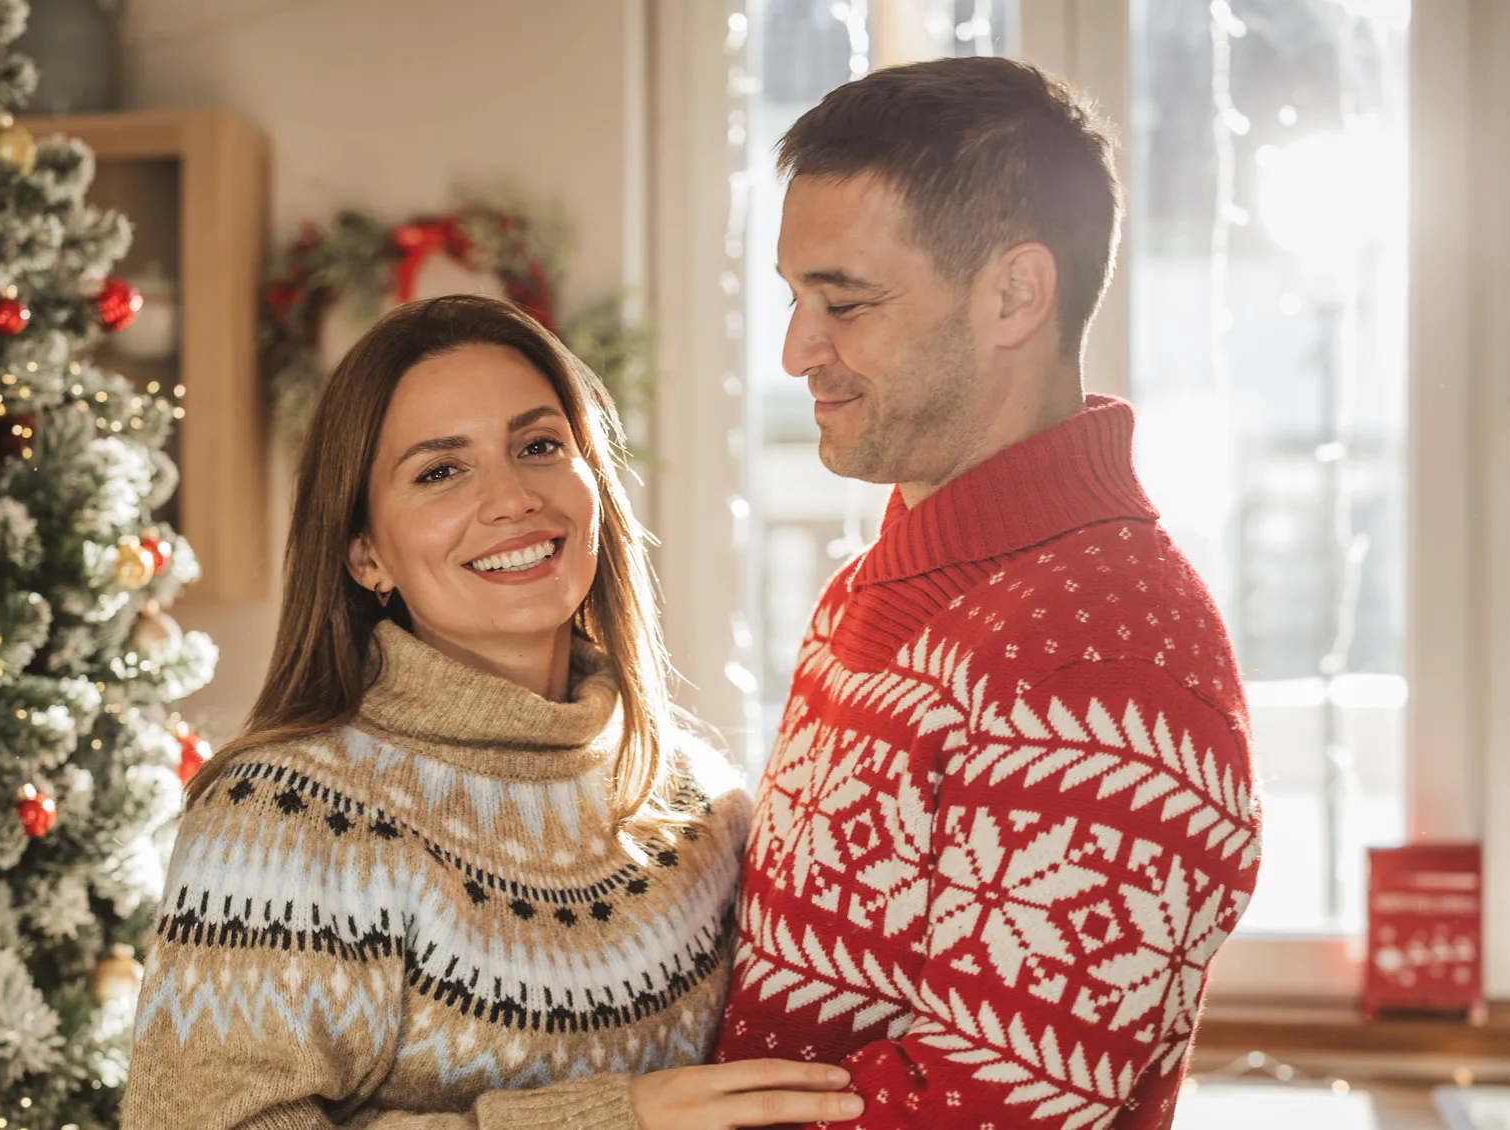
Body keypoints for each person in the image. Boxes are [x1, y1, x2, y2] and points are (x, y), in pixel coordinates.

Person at [123, 295, 862, 1130]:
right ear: (365, 554)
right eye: (441, 470)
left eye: (539, 446)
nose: (513, 498)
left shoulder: (702, 804)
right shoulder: (282, 821)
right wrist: (610, 1121)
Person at [712, 57, 1263, 1130]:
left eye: (845, 302)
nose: (795, 349)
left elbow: (981, 1113)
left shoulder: (1106, 658)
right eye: (792, 297)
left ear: (1014, 292)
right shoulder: (876, 587)